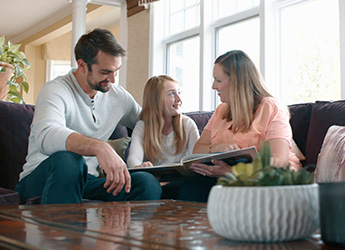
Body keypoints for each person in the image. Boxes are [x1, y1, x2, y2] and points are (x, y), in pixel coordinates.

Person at [15, 28, 162, 204]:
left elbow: (147, 123)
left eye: (116, 71)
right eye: (105, 72)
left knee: (147, 183)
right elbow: (46, 134)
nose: (113, 79)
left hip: (88, 181)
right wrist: (101, 147)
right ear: (82, 65)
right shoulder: (56, 90)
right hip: (42, 177)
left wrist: (141, 160)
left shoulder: (118, 97)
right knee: (70, 160)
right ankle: (65, 232)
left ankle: (119, 231)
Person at [179, 50, 301, 202]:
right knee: (190, 189)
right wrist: (217, 148)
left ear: (237, 81)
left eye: (218, 80)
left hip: (266, 176)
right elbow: (198, 149)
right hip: (226, 175)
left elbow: (278, 161)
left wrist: (232, 171)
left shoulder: (272, 108)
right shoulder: (221, 110)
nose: (213, 86)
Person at [127, 75, 199, 169]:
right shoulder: (142, 127)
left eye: (179, 93)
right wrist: (139, 166)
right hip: (155, 179)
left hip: (183, 179)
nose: (179, 99)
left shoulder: (188, 124)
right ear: (156, 100)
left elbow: (197, 158)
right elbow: (133, 158)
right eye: (172, 94)